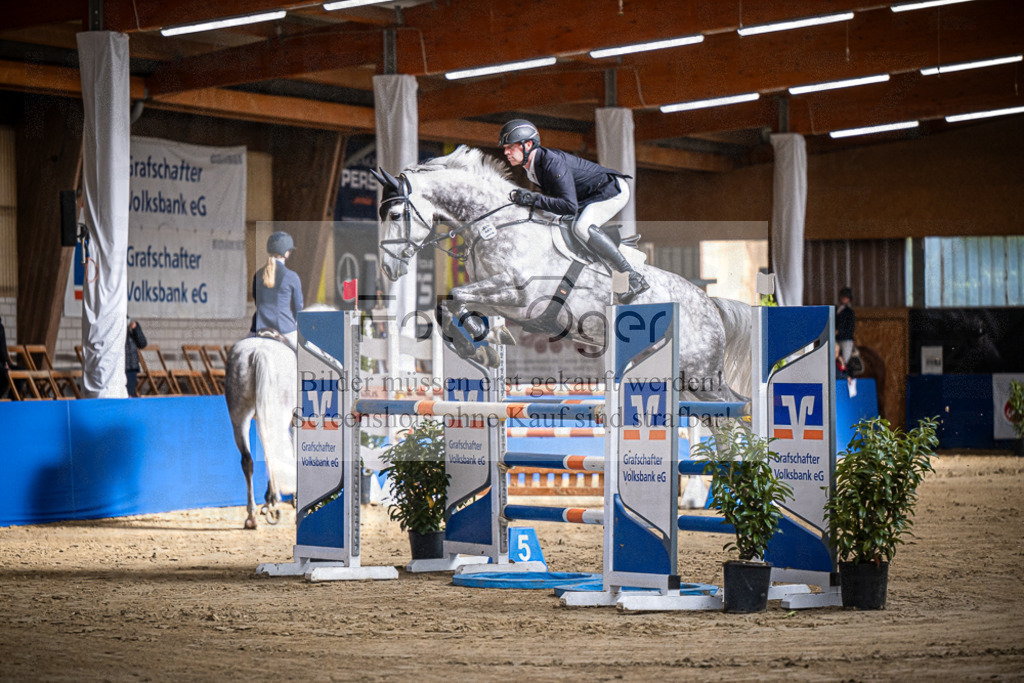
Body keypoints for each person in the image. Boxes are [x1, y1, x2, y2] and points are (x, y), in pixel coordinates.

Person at [498, 119, 649, 304]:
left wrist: (533, 199)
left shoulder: (551, 163)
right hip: (586, 197)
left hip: (611, 190)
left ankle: (632, 277)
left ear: (527, 144)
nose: (506, 152)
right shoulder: (532, 168)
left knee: (582, 227)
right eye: (505, 148)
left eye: (511, 147)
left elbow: (568, 205)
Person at [251, 231, 303, 346]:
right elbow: (298, 307)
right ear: (287, 253)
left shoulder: (258, 274)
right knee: (302, 356)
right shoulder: (291, 276)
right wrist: (292, 322)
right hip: (284, 326)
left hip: (258, 326)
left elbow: (256, 301)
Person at [125, 318, 148, 397]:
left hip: (131, 366)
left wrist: (136, 329)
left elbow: (142, 343)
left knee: (130, 393)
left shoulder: (131, 325)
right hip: (120, 366)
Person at [836, 287, 856, 365]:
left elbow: (850, 329)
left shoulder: (850, 312)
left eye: (846, 297)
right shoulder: (835, 309)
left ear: (849, 299)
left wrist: (839, 332)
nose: (844, 298)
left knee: (845, 358)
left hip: (845, 340)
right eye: (843, 296)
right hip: (834, 339)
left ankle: (844, 371)